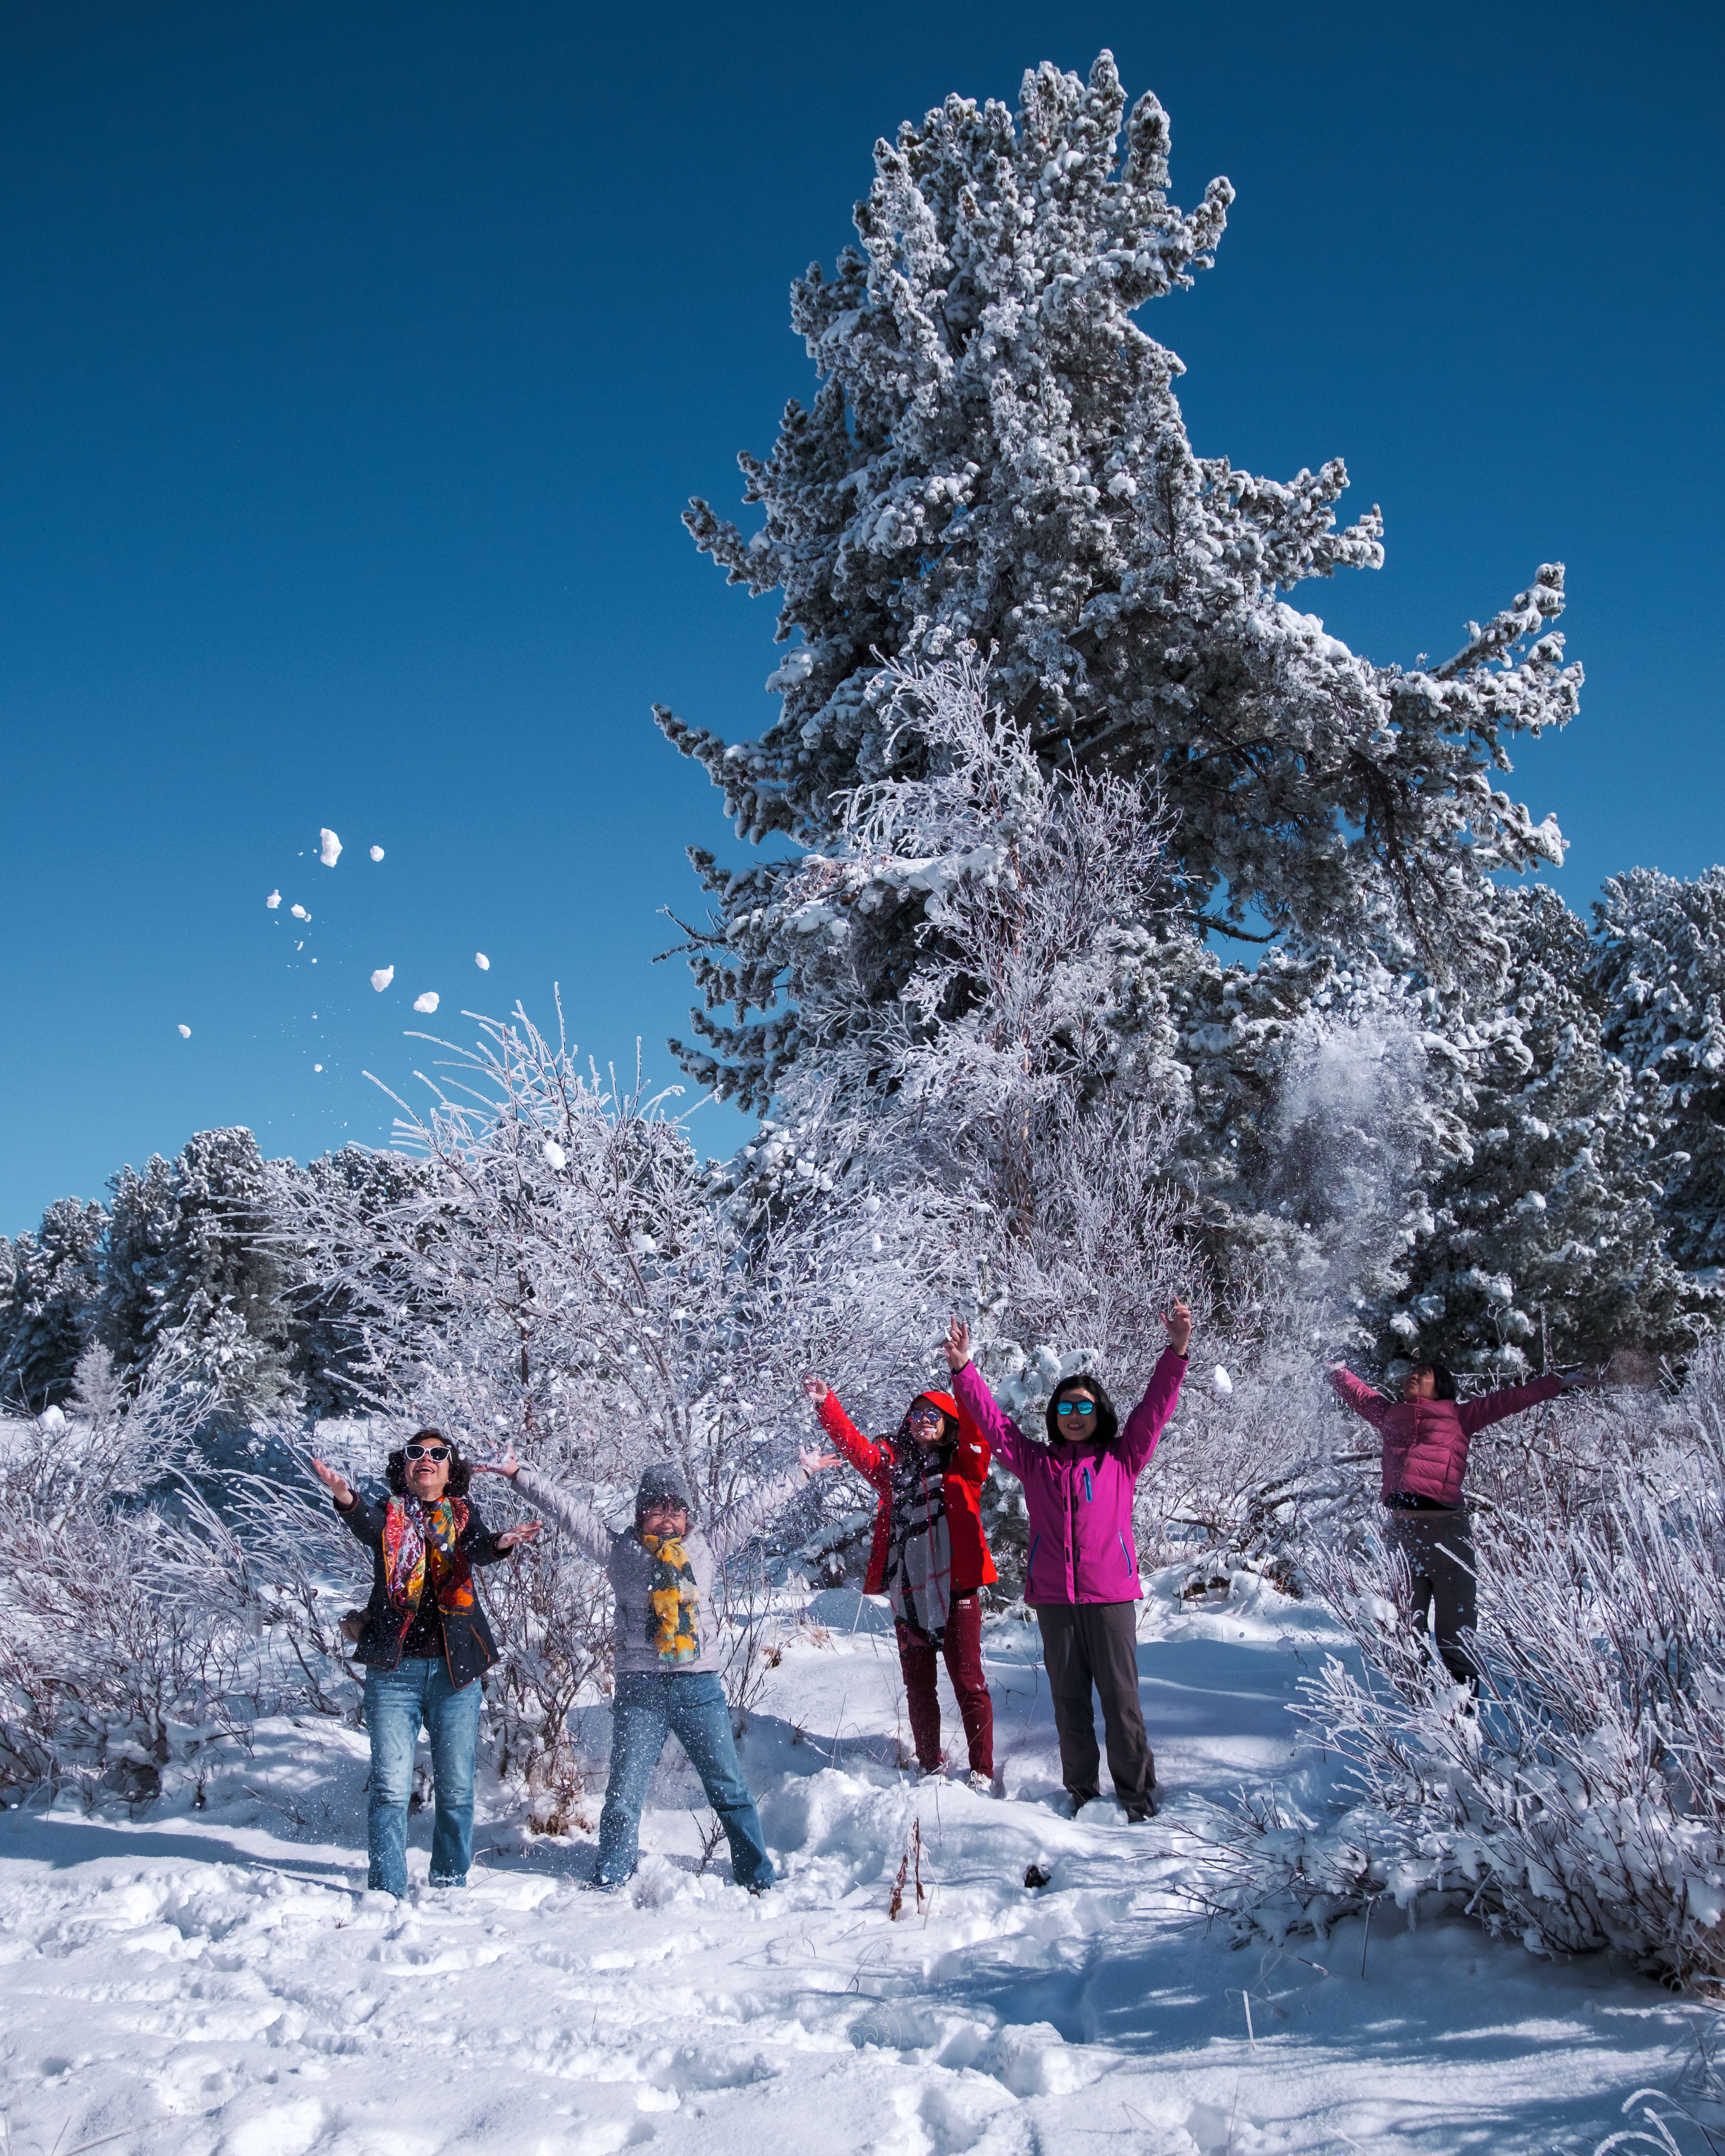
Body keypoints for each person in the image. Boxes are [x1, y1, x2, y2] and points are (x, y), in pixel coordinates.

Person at [481, 1448, 810, 1893]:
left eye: (676, 1508)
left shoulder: (706, 1547)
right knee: (623, 1794)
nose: (668, 1517)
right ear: (641, 1513)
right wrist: (519, 1474)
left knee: (729, 1789)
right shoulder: (619, 1551)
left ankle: (756, 1876)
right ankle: (611, 1875)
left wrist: (802, 1469)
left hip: (700, 1688)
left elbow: (754, 1504)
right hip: (641, 1691)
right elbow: (568, 1509)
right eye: (657, 1507)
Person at [943, 1304, 1192, 1821]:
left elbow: (1155, 1408)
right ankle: (1082, 1795)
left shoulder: (1122, 1458)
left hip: (1110, 1598)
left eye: (1083, 1409)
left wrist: (1176, 1352)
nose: (1074, 1417)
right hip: (1055, 1601)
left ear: (1098, 1413)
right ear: (1054, 1416)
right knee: (1069, 1704)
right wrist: (963, 1370)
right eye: (1065, 1409)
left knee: (1122, 1702)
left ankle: (1138, 1800)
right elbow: (992, 1424)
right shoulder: (1036, 1462)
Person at [311, 1430, 542, 1898]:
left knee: (457, 1790)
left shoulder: (462, 1515)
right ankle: (387, 1889)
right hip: (394, 1674)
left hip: (456, 1675)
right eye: (417, 1452)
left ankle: (450, 1882)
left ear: (449, 1468)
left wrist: (502, 1542)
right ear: (406, 1466)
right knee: (390, 1790)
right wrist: (345, 1497)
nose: (427, 1459)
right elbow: (367, 1523)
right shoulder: (390, 1514)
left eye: (438, 1454)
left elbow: (476, 1548)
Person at [799, 1369, 999, 1793]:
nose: (924, 1419)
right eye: (917, 1414)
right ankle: (930, 1764)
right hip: (908, 1593)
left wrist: (962, 1373)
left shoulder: (963, 1466)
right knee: (918, 1687)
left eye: (934, 1414)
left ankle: (982, 1769)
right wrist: (825, 1403)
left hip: (956, 1590)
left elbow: (979, 1431)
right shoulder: (893, 1469)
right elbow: (855, 1449)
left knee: (968, 1680)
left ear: (948, 1424)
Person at [1328, 1356, 1576, 1687]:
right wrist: (1337, 1372)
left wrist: (1557, 1384)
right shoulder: (1390, 1414)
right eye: (1411, 1373)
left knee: (1454, 1630)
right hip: (1402, 1535)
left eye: (1423, 1374)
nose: (1413, 1377)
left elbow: (1511, 1399)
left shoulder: (1459, 1417)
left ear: (1441, 1386)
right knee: (1404, 1626)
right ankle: (1420, 1703)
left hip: (1446, 1534)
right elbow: (1361, 1395)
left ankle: (1466, 1710)